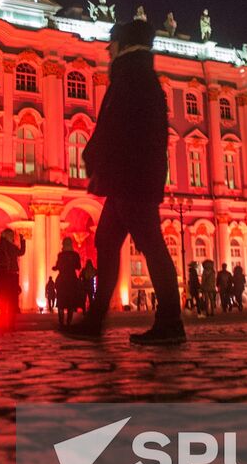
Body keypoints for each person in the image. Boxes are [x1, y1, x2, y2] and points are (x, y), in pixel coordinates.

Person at [61, 18, 185, 345]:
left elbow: (118, 128)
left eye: (111, 44)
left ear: (123, 45)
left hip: (132, 180)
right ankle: (95, 320)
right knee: (106, 244)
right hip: (129, 180)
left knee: (153, 247)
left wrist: (97, 153)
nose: (107, 51)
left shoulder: (132, 78)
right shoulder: (138, 77)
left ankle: (170, 322)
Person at [0, 228, 26, 324]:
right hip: (11, 274)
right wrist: (22, 240)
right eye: (11, 235)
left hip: (1, 273)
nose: (13, 237)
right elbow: (21, 252)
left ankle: (2, 320)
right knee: (12, 299)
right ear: (8, 236)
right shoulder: (11, 247)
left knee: (2, 297)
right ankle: (11, 322)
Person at [53, 237, 84, 327]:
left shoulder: (61, 255)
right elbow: (78, 266)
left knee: (61, 302)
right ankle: (68, 322)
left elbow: (58, 266)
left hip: (62, 279)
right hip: (71, 279)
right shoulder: (75, 255)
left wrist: (56, 268)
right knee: (70, 303)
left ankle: (61, 322)